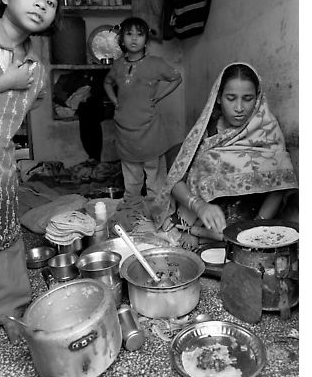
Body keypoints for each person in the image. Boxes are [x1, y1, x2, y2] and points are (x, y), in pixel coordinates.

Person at [0, 0, 73, 342]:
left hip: (1, 166)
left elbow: (34, 100)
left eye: (51, 0)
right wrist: (2, 82)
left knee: (6, 239)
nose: (42, 3)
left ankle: (11, 312)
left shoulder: (36, 68)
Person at [151, 62, 298, 248]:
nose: (239, 107)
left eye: (248, 98)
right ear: (218, 98)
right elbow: (175, 180)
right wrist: (199, 206)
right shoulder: (207, 131)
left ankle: (213, 238)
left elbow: (280, 185)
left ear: (258, 99)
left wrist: (255, 230)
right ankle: (195, 232)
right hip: (205, 218)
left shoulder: (268, 130)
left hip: (249, 218)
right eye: (231, 98)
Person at [104, 17, 182, 204]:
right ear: (122, 39)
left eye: (139, 34)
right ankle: (132, 212)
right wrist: (116, 102)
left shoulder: (156, 63)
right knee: (131, 181)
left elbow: (176, 78)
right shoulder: (118, 65)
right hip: (125, 132)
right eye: (129, 34)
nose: (134, 39)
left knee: (155, 179)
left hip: (150, 131)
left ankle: (157, 214)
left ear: (146, 39)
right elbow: (107, 83)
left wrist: (159, 97)